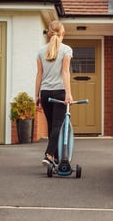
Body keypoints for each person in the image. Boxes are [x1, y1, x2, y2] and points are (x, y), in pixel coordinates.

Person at [35, 20, 73, 165]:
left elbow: (39, 74)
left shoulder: (40, 51)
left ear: (49, 33)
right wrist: (68, 93)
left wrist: (37, 95)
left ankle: (56, 158)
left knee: (52, 126)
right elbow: (65, 73)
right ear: (62, 32)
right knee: (58, 125)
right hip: (59, 92)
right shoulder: (66, 50)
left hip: (45, 93)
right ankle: (49, 155)